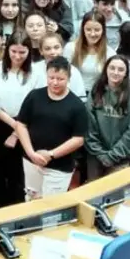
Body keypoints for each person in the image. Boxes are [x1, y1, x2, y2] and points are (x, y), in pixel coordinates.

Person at [14, 56, 88, 200]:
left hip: (59, 166)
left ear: (68, 78)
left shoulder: (77, 106)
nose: (55, 82)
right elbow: (21, 124)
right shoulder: (34, 96)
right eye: (51, 77)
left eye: (60, 79)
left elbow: (78, 139)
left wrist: (51, 154)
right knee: (31, 199)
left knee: (51, 206)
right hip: (31, 160)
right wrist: (30, 152)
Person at [0, 29, 35, 209]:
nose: (17, 56)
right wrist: (13, 124)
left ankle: (17, 210)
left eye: (22, 52)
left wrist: (18, 131)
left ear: (29, 52)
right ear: (7, 49)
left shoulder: (35, 72)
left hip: (27, 126)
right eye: (14, 51)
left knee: (19, 172)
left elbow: (34, 103)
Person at [85, 55, 130, 180]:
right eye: (112, 68)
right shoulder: (96, 91)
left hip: (121, 158)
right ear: (106, 69)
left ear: (126, 73)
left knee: (114, 195)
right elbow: (89, 125)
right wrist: (99, 152)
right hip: (95, 156)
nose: (115, 72)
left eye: (120, 70)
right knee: (92, 194)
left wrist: (111, 156)